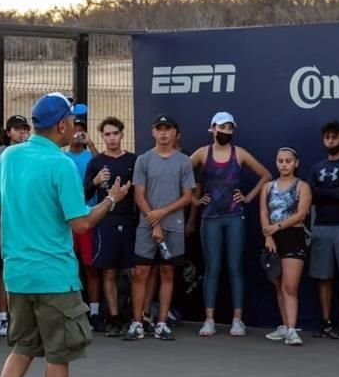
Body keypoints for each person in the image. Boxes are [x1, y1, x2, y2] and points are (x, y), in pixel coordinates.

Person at [0, 92, 131, 377]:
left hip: (17, 275)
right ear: (61, 125)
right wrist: (112, 200)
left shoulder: (9, 156)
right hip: (55, 277)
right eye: (73, 121)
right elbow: (80, 224)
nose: (76, 127)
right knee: (58, 356)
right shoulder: (60, 165)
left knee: (24, 347)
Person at [188, 111, 271, 337]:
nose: (225, 132)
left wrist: (248, 197)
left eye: (229, 128)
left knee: (235, 268)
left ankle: (237, 320)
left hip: (234, 217)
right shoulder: (202, 154)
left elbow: (265, 175)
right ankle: (209, 320)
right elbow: (179, 172)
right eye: (222, 127)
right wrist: (194, 198)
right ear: (212, 128)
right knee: (212, 269)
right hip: (210, 218)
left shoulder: (240, 154)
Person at [124, 115, 195, 342]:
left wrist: (162, 213)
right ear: (153, 132)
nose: (163, 133)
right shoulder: (143, 160)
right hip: (146, 226)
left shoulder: (184, 161)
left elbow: (187, 197)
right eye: (159, 129)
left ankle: (161, 323)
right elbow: (139, 194)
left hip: (173, 227)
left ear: (175, 133)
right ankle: (137, 323)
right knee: (141, 273)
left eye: (168, 129)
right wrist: (154, 220)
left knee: (167, 273)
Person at [84, 116, 137, 337]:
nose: (112, 138)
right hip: (105, 222)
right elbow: (84, 193)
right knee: (108, 272)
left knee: (135, 272)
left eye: (115, 133)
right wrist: (95, 182)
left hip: (130, 221)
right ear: (102, 137)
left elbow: (141, 192)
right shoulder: (96, 163)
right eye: (107, 134)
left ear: (122, 134)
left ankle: (137, 318)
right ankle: (113, 318)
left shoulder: (134, 160)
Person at [308, 121, 339, 340]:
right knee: (323, 277)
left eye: (335, 137)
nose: (330, 141)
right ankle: (326, 321)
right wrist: (331, 192)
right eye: (327, 137)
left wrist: (325, 192)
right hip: (321, 226)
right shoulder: (316, 167)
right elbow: (312, 195)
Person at [260, 148, 312, 347]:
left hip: (293, 237)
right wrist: (269, 235)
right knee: (279, 285)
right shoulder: (267, 187)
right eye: (280, 161)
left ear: (296, 163)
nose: (284, 164)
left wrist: (278, 227)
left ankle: (292, 330)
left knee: (290, 286)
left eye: (288, 161)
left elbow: (301, 214)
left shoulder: (303, 186)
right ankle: (284, 325)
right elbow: (264, 213)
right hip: (272, 239)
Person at [0, 114, 31, 336]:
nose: (22, 133)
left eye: (25, 129)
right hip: (1, 223)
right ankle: (2, 317)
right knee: (4, 270)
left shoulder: (34, 155)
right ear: (8, 132)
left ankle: (23, 317)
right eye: (18, 129)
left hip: (27, 223)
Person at [67, 117, 101, 331]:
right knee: (69, 267)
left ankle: (95, 313)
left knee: (91, 267)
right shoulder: (62, 157)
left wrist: (92, 144)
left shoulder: (92, 156)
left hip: (89, 217)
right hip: (68, 220)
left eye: (82, 131)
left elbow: (104, 164)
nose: (78, 134)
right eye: (75, 130)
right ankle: (72, 311)